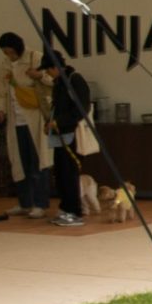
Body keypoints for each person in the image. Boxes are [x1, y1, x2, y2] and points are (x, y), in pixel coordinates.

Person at [0, 31, 52, 219]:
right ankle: (24, 203)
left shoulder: (36, 57)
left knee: (39, 161)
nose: (8, 55)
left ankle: (40, 203)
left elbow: (52, 79)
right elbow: (0, 89)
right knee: (19, 162)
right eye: (5, 52)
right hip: (15, 119)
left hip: (35, 117)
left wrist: (38, 75)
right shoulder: (5, 64)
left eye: (10, 51)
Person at [35, 51, 93, 228]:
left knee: (70, 173)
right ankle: (65, 208)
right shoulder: (59, 82)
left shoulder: (75, 80)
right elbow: (56, 108)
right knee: (60, 173)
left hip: (72, 134)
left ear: (55, 67)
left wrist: (59, 122)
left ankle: (75, 211)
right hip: (59, 134)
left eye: (48, 70)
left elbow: (82, 108)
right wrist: (50, 123)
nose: (48, 74)